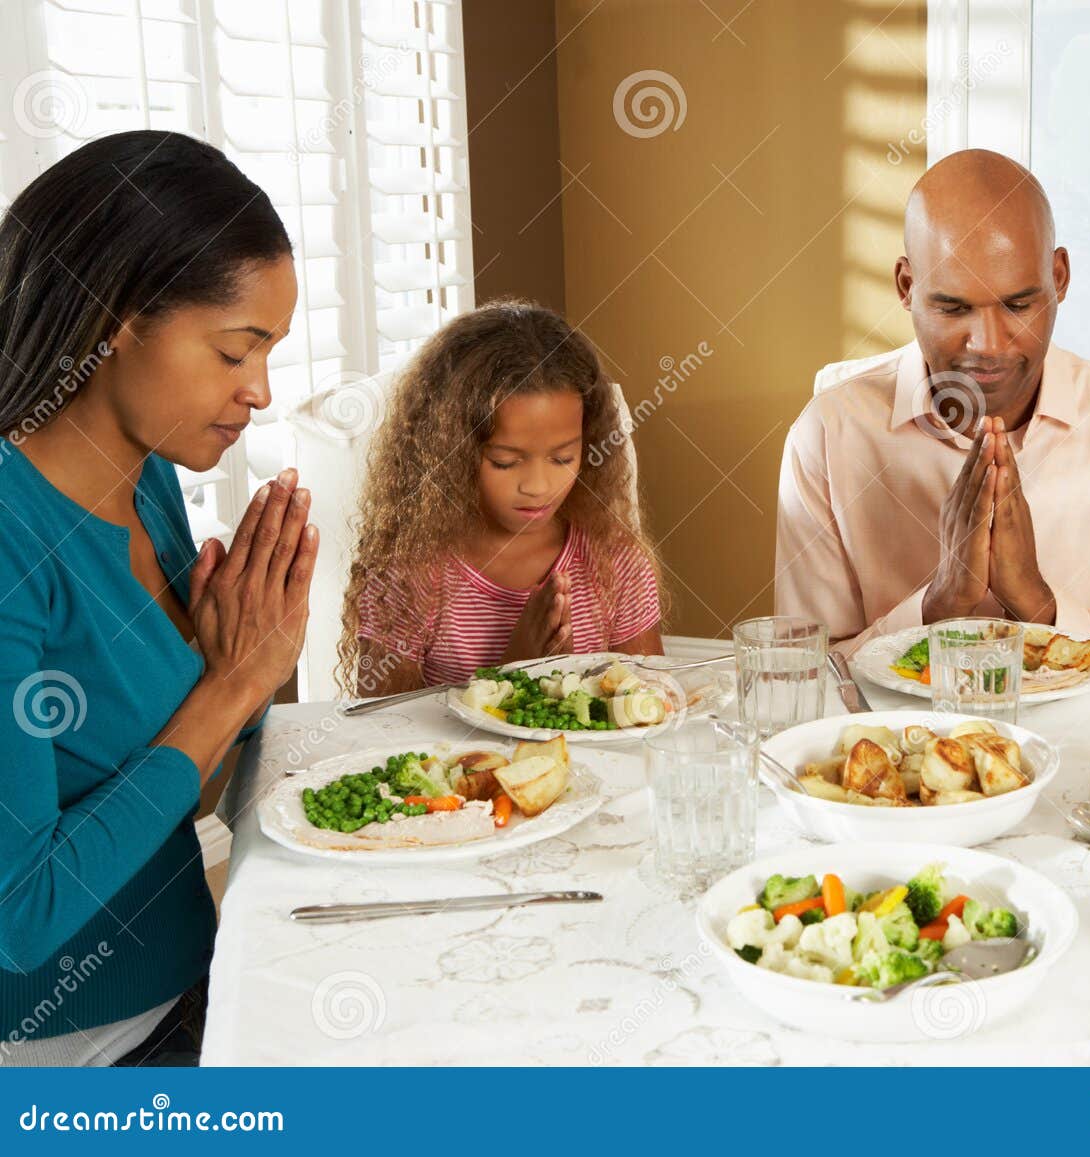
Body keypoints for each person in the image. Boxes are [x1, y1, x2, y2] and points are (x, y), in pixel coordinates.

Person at [0, 131, 316, 1064]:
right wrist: (228, 687)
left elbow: (209, 781)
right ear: (116, 319)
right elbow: (22, 915)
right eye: (234, 351)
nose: (259, 391)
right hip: (74, 1053)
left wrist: (252, 679)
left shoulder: (143, 479)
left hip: (203, 982)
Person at [774, 149, 1090, 651]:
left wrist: (1038, 604)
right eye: (953, 307)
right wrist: (937, 608)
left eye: (1018, 305)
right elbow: (803, 675)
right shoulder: (829, 434)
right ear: (907, 287)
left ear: (1060, 278)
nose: (988, 345)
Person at [340, 301, 663, 696]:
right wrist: (513, 670)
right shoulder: (409, 574)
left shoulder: (614, 561)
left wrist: (572, 676)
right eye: (506, 462)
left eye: (563, 458)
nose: (538, 486)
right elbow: (382, 725)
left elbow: (650, 710)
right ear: (449, 456)